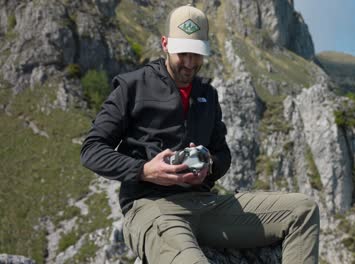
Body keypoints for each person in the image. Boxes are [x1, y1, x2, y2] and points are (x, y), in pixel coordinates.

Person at [80, 4, 320, 264]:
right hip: (150, 207)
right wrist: (145, 170)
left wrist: (209, 164)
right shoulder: (132, 87)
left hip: (206, 204)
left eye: (197, 54)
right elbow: (91, 149)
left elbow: (223, 153)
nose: (190, 63)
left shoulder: (207, 93)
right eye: (182, 53)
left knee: (302, 210)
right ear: (165, 44)